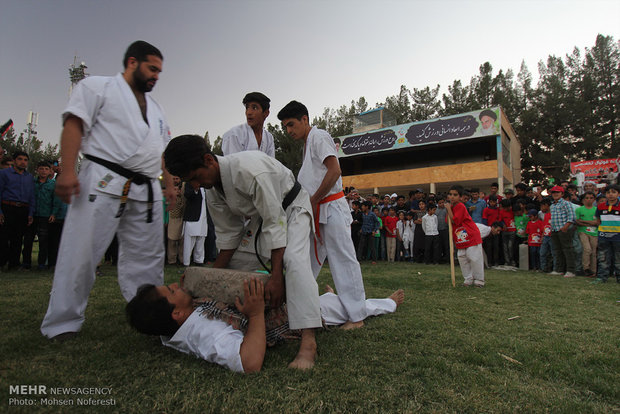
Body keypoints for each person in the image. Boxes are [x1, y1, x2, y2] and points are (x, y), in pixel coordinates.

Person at [41, 41, 175, 340]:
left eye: (159, 72)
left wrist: (167, 182)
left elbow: (163, 148)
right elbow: (74, 125)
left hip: (146, 188)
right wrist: (66, 170)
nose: (156, 76)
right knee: (81, 252)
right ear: (132, 62)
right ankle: (63, 322)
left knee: (148, 257)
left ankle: (150, 317)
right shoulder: (97, 88)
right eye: (152, 69)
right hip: (102, 180)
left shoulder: (157, 108)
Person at [163, 134, 322, 369]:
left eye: (195, 178)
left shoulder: (250, 170)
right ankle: (255, 318)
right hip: (264, 218)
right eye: (189, 182)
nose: (195, 186)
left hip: (293, 208)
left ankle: (308, 342)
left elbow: (275, 221)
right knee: (236, 262)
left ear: (209, 160)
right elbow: (229, 237)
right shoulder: (212, 189)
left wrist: (277, 277)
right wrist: (207, 280)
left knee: (294, 261)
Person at [126, 272, 404, 373]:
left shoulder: (180, 324)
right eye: (172, 292)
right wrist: (256, 313)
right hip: (286, 318)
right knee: (343, 306)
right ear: (177, 314)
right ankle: (389, 303)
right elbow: (249, 363)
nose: (175, 285)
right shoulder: (202, 332)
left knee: (329, 301)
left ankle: (328, 297)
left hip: (279, 308)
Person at [277, 100, 368, 330]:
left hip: (331, 207)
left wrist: (314, 199)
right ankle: (294, 307)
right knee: (304, 260)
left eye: (291, 124)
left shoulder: (319, 137)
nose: (289, 131)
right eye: (285, 127)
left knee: (343, 259)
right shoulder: (308, 144)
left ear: (305, 120)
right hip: (316, 210)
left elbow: (335, 170)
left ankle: (357, 317)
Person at [0, 151, 35, 271]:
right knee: (3, 237)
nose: (23, 162)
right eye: (20, 159)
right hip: (8, 207)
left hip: (23, 209)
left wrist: (30, 213)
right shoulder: (4, 174)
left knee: (18, 238)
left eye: (25, 160)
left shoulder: (29, 177)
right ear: (14, 161)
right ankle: (2, 262)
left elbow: (31, 196)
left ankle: (14, 264)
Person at [446, 185, 484, 287]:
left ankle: (479, 280)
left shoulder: (461, 206)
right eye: (450, 194)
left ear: (460, 197)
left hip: (470, 235)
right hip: (460, 238)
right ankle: (468, 279)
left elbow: (455, 220)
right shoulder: (451, 207)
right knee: (462, 258)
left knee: (474, 258)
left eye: (455, 195)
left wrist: (449, 209)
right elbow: (449, 221)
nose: (452, 197)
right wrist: (449, 210)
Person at [22, 161, 57, 270]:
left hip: (45, 215)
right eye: (41, 169)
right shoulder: (31, 182)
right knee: (28, 240)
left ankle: (41, 263)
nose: (44, 171)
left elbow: (55, 200)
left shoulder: (53, 184)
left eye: (46, 169)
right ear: (37, 170)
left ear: (50, 171)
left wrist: (53, 213)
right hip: (31, 215)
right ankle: (26, 263)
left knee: (43, 241)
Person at [222, 92, 275, 157]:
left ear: (266, 113)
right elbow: (234, 165)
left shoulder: (269, 138)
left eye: (254, 108)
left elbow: (271, 164)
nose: (249, 112)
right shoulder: (234, 135)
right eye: (247, 108)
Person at [592, 184, 620, 284]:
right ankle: (602, 277)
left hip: (618, 237)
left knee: (618, 258)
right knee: (603, 257)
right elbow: (598, 221)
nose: (611, 195)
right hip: (603, 237)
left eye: (614, 192)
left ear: (618, 194)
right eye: (608, 192)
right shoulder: (600, 206)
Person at [549, 185, 576, 278]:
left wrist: (565, 227)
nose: (555, 194)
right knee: (557, 250)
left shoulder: (566, 203)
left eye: (557, 192)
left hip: (564, 229)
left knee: (568, 250)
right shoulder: (552, 205)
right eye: (553, 192)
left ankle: (570, 270)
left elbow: (571, 217)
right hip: (555, 230)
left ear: (562, 193)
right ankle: (560, 269)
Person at [182, 184, 208, 266]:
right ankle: (186, 262)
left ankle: (199, 260)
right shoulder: (190, 183)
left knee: (201, 239)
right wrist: (195, 189)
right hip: (193, 217)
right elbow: (187, 195)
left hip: (204, 217)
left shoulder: (206, 186)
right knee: (189, 241)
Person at [575, 192, 598, 277]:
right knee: (587, 249)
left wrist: (584, 221)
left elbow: (597, 222)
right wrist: (590, 223)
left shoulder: (596, 210)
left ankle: (593, 270)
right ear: (583, 200)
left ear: (594, 199)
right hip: (583, 231)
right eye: (587, 198)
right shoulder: (579, 209)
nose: (589, 200)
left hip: (594, 232)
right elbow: (577, 221)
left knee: (594, 252)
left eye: (591, 198)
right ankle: (586, 268)